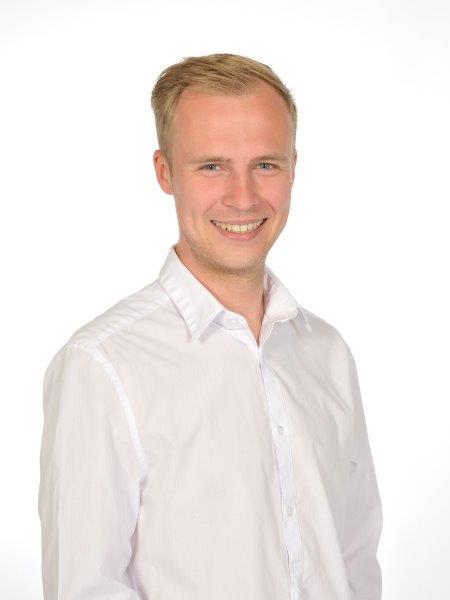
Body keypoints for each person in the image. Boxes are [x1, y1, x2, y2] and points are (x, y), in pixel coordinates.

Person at [38, 52, 383, 600]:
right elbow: (84, 588)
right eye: (212, 166)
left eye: (265, 165)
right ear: (165, 172)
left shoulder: (326, 353)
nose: (243, 197)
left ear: (294, 166)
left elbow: (356, 559)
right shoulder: (102, 367)